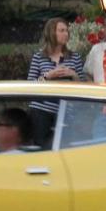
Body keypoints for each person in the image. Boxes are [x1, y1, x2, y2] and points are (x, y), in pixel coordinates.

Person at [26, 17, 85, 147]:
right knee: (40, 147)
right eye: (61, 30)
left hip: (65, 111)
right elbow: (29, 86)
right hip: (41, 110)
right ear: (51, 33)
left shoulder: (74, 57)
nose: (66, 34)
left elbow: (84, 87)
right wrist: (48, 76)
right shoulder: (39, 57)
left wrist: (74, 75)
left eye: (66, 31)